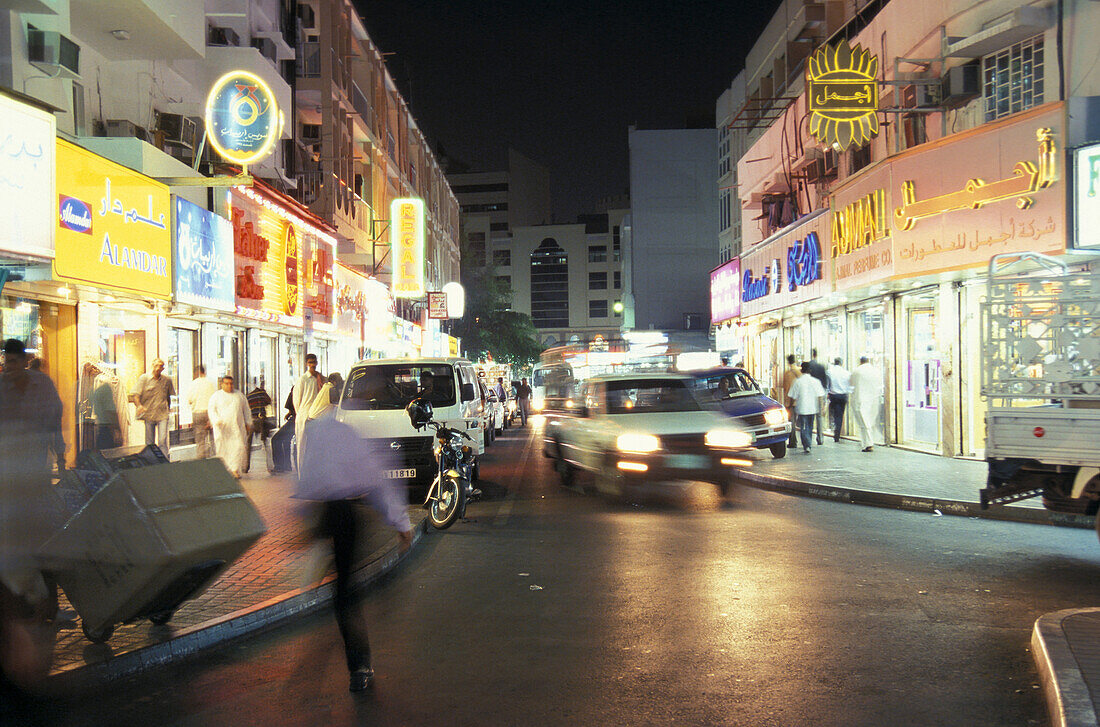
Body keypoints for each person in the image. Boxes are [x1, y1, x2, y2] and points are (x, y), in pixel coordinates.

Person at [296, 411, 412, 692]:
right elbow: (374, 480)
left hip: (323, 512)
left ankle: (354, 660)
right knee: (345, 591)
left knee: (341, 590)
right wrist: (400, 522)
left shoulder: (311, 436)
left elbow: (302, 481)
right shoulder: (346, 435)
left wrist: (303, 523)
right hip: (344, 513)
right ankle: (359, 666)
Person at [0, 339, 64, 629]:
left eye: (13, 361)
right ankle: (28, 606)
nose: (8, 367)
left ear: (25, 360)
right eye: (6, 362)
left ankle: (48, 604)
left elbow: (55, 417)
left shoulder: (42, 384)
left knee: (41, 538)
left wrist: (61, 453)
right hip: (9, 475)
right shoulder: (2, 388)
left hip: (36, 471)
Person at [208, 375, 251, 477]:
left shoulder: (239, 396)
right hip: (222, 429)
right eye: (226, 384)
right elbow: (211, 410)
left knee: (238, 447)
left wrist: (248, 423)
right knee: (223, 449)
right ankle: (224, 469)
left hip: (237, 428)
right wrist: (216, 420)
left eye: (231, 384)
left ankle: (234, 469)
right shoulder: (216, 396)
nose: (229, 386)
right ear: (222, 384)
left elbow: (246, 410)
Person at [130, 358, 175, 454]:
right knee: (150, 443)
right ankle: (152, 462)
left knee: (162, 440)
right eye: (156, 365)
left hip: (162, 414)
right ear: (152, 366)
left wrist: (168, 409)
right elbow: (136, 395)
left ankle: (165, 462)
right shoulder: (144, 378)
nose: (158, 368)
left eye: (161, 366)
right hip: (149, 414)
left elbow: (168, 396)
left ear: (163, 368)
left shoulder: (167, 380)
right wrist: (139, 406)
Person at [292, 354, 325, 469]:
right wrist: (302, 414)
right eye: (310, 362)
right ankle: (302, 474)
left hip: (317, 416)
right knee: (302, 446)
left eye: (314, 362)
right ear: (306, 364)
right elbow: (296, 401)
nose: (312, 365)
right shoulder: (303, 380)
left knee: (316, 447)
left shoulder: (320, 378)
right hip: (304, 416)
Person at [788, 361, 826, 454]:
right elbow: (820, 396)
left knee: (803, 427)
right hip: (813, 408)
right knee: (810, 426)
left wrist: (791, 406)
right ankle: (808, 444)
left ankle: (807, 445)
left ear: (801, 370)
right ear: (810, 370)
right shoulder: (816, 381)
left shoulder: (797, 381)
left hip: (802, 408)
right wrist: (821, 407)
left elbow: (792, 396)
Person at [850, 356, 883, 452]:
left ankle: (868, 444)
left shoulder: (857, 371)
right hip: (874, 399)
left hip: (861, 399)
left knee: (864, 423)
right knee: (870, 422)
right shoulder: (876, 371)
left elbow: (851, 384)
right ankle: (868, 442)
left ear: (860, 361)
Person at [187, 365, 217, 459]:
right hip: (211, 413)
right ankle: (216, 459)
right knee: (214, 440)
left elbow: (189, 400)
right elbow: (216, 399)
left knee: (200, 441)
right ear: (204, 372)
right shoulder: (212, 383)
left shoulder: (193, 384)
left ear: (197, 373)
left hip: (198, 414)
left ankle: (202, 461)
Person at [245, 378, 274, 474]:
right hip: (261, 420)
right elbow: (269, 401)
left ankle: (246, 467)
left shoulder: (247, 396)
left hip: (251, 420)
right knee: (266, 444)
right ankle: (270, 467)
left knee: (248, 444)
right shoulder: (261, 392)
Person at [826, 358, 852, 442]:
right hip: (843, 396)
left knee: (835, 414)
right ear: (841, 363)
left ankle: (835, 431)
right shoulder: (846, 373)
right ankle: (837, 433)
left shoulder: (829, 372)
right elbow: (849, 386)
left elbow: (827, 384)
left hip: (833, 396)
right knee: (840, 415)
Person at [807, 349, 828, 445]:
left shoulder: (808, 366)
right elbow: (825, 382)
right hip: (820, 394)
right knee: (819, 416)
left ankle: (809, 439)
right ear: (816, 354)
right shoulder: (821, 367)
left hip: (810, 394)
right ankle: (820, 438)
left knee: (810, 416)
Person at [781, 354, 801, 448]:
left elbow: (786, 388)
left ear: (788, 362)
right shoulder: (800, 372)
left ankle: (793, 442)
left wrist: (787, 402)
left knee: (791, 421)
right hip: (800, 400)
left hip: (791, 401)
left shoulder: (788, 374)